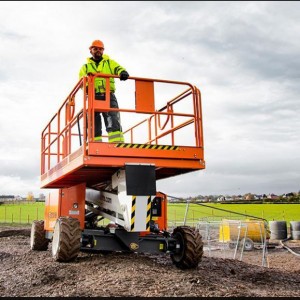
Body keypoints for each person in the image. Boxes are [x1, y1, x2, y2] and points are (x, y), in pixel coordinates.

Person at [79, 39, 129, 143]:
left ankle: (117, 143)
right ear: (90, 50)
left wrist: (123, 72)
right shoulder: (85, 67)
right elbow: (81, 82)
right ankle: (95, 144)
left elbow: (118, 68)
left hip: (108, 95)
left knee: (113, 118)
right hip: (93, 96)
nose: (98, 51)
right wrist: (86, 87)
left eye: (100, 49)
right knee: (93, 122)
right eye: (95, 48)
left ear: (103, 51)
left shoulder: (109, 62)